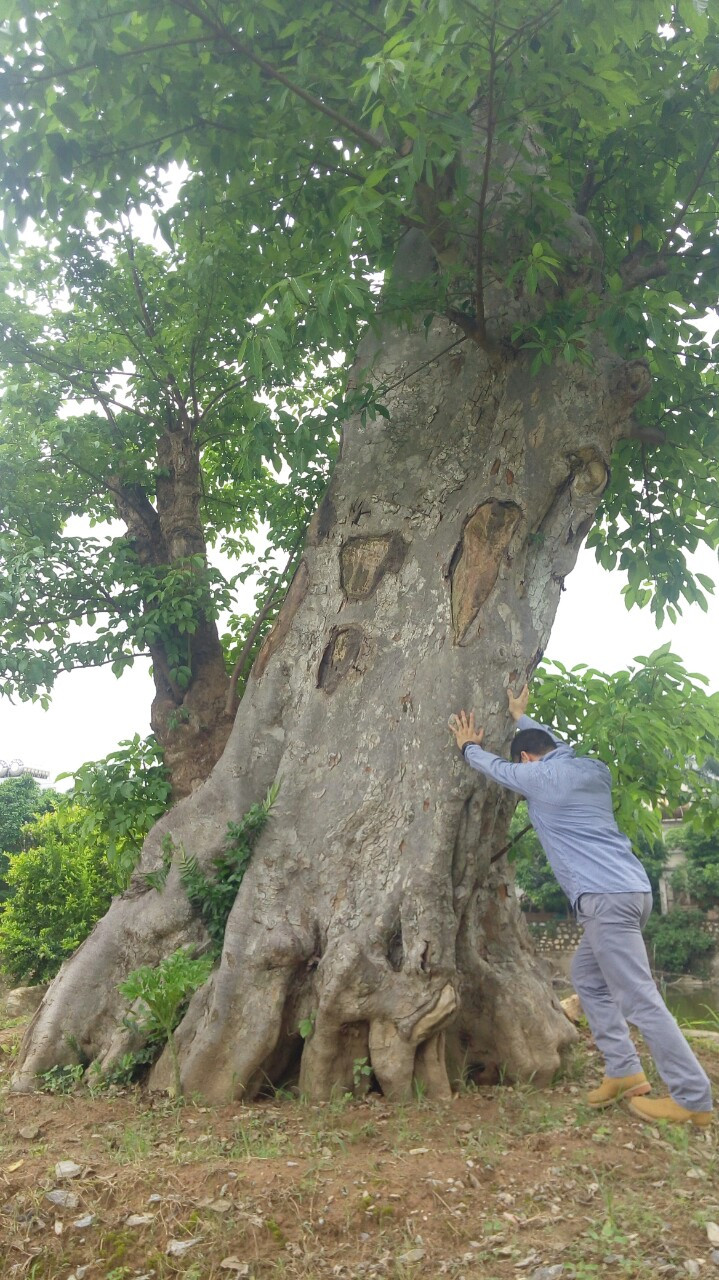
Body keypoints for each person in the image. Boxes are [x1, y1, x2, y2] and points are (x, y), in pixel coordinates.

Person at [448, 686, 713, 1128]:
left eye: (523, 763)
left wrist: (467, 746)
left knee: (640, 999)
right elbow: (552, 746)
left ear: (527, 761)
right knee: (588, 978)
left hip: (604, 899)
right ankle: (625, 1070)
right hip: (632, 892)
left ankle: (692, 1097)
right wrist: (520, 717)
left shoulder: (540, 778)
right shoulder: (592, 769)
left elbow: (495, 768)